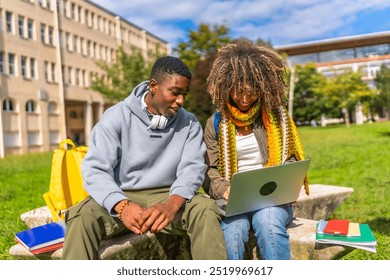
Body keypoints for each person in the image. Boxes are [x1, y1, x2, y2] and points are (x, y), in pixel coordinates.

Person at [61, 56, 227, 260]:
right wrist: (121, 205)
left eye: (184, 94)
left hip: (169, 195)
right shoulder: (116, 116)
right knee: (82, 215)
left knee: (205, 209)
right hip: (122, 194)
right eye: (175, 93)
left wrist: (172, 204)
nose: (181, 101)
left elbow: (193, 169)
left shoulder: (189, 123)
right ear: (154, 86)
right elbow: (95, 170)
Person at [203, 38, 309, 260]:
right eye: (237, 91)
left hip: (273, 199)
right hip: (232, 199)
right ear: (225, 87)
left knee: (267, 221)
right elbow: (209, 170)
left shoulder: (277, 117)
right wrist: (224, 189)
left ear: (262, 87)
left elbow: (291, 160)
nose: (244, 99)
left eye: (251, 92)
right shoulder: (215, 123)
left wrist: (285, 183)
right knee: (232, 232)